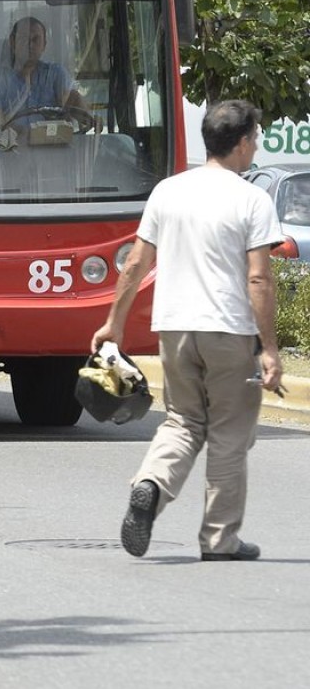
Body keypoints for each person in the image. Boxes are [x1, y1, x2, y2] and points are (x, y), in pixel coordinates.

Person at [91, 99, 285, 562]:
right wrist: (271, 349)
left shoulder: (168, 191)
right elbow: (258, 278)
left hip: (174, 328)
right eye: (254, 138)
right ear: (241, 145)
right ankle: (220, 539)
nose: (255, 146)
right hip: (228, 331)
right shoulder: (252, 199)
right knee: (229, 433)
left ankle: (150, 484)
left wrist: (113, 323)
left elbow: (136, 262)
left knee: (182, 422)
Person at [0, 16, 93, 131]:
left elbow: (72, 100)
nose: (30, 45)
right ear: (12, 41)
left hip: (54, 145)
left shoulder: (56, 74)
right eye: (24, 39)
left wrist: (87, 115)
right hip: (9, 146)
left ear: (44, 45)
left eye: (36, 39)